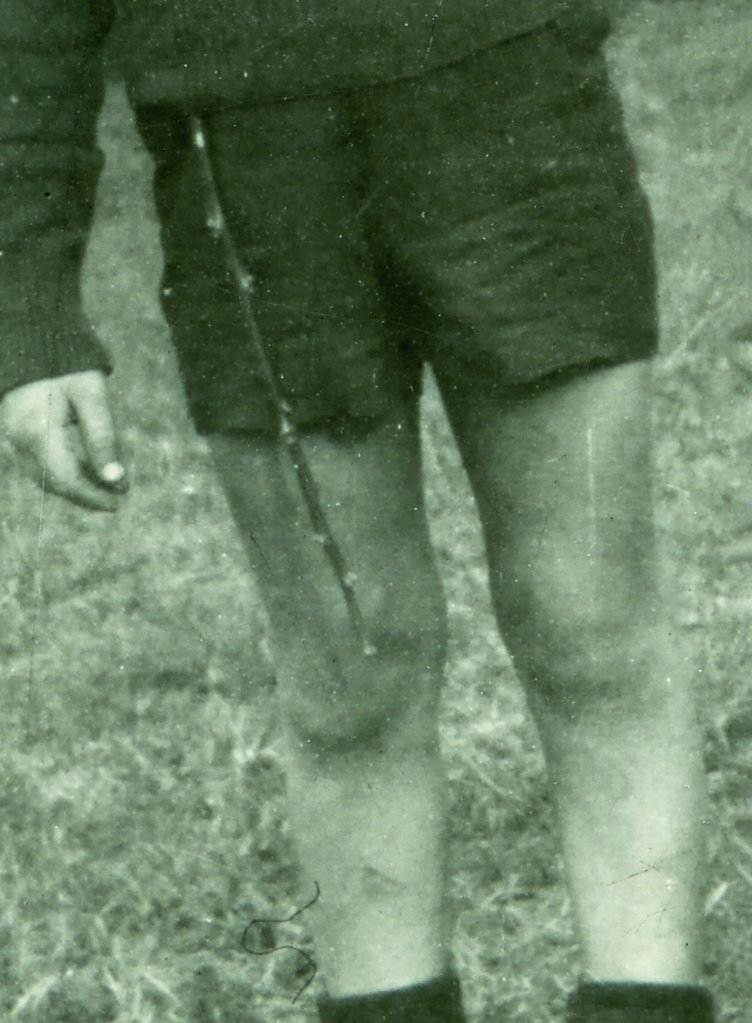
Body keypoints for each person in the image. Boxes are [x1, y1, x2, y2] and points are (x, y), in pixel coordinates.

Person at [0, 2, 715, 1020]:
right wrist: (29, 300)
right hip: (242, 152)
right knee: (349, 678)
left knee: (590, 625)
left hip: (508, 102)